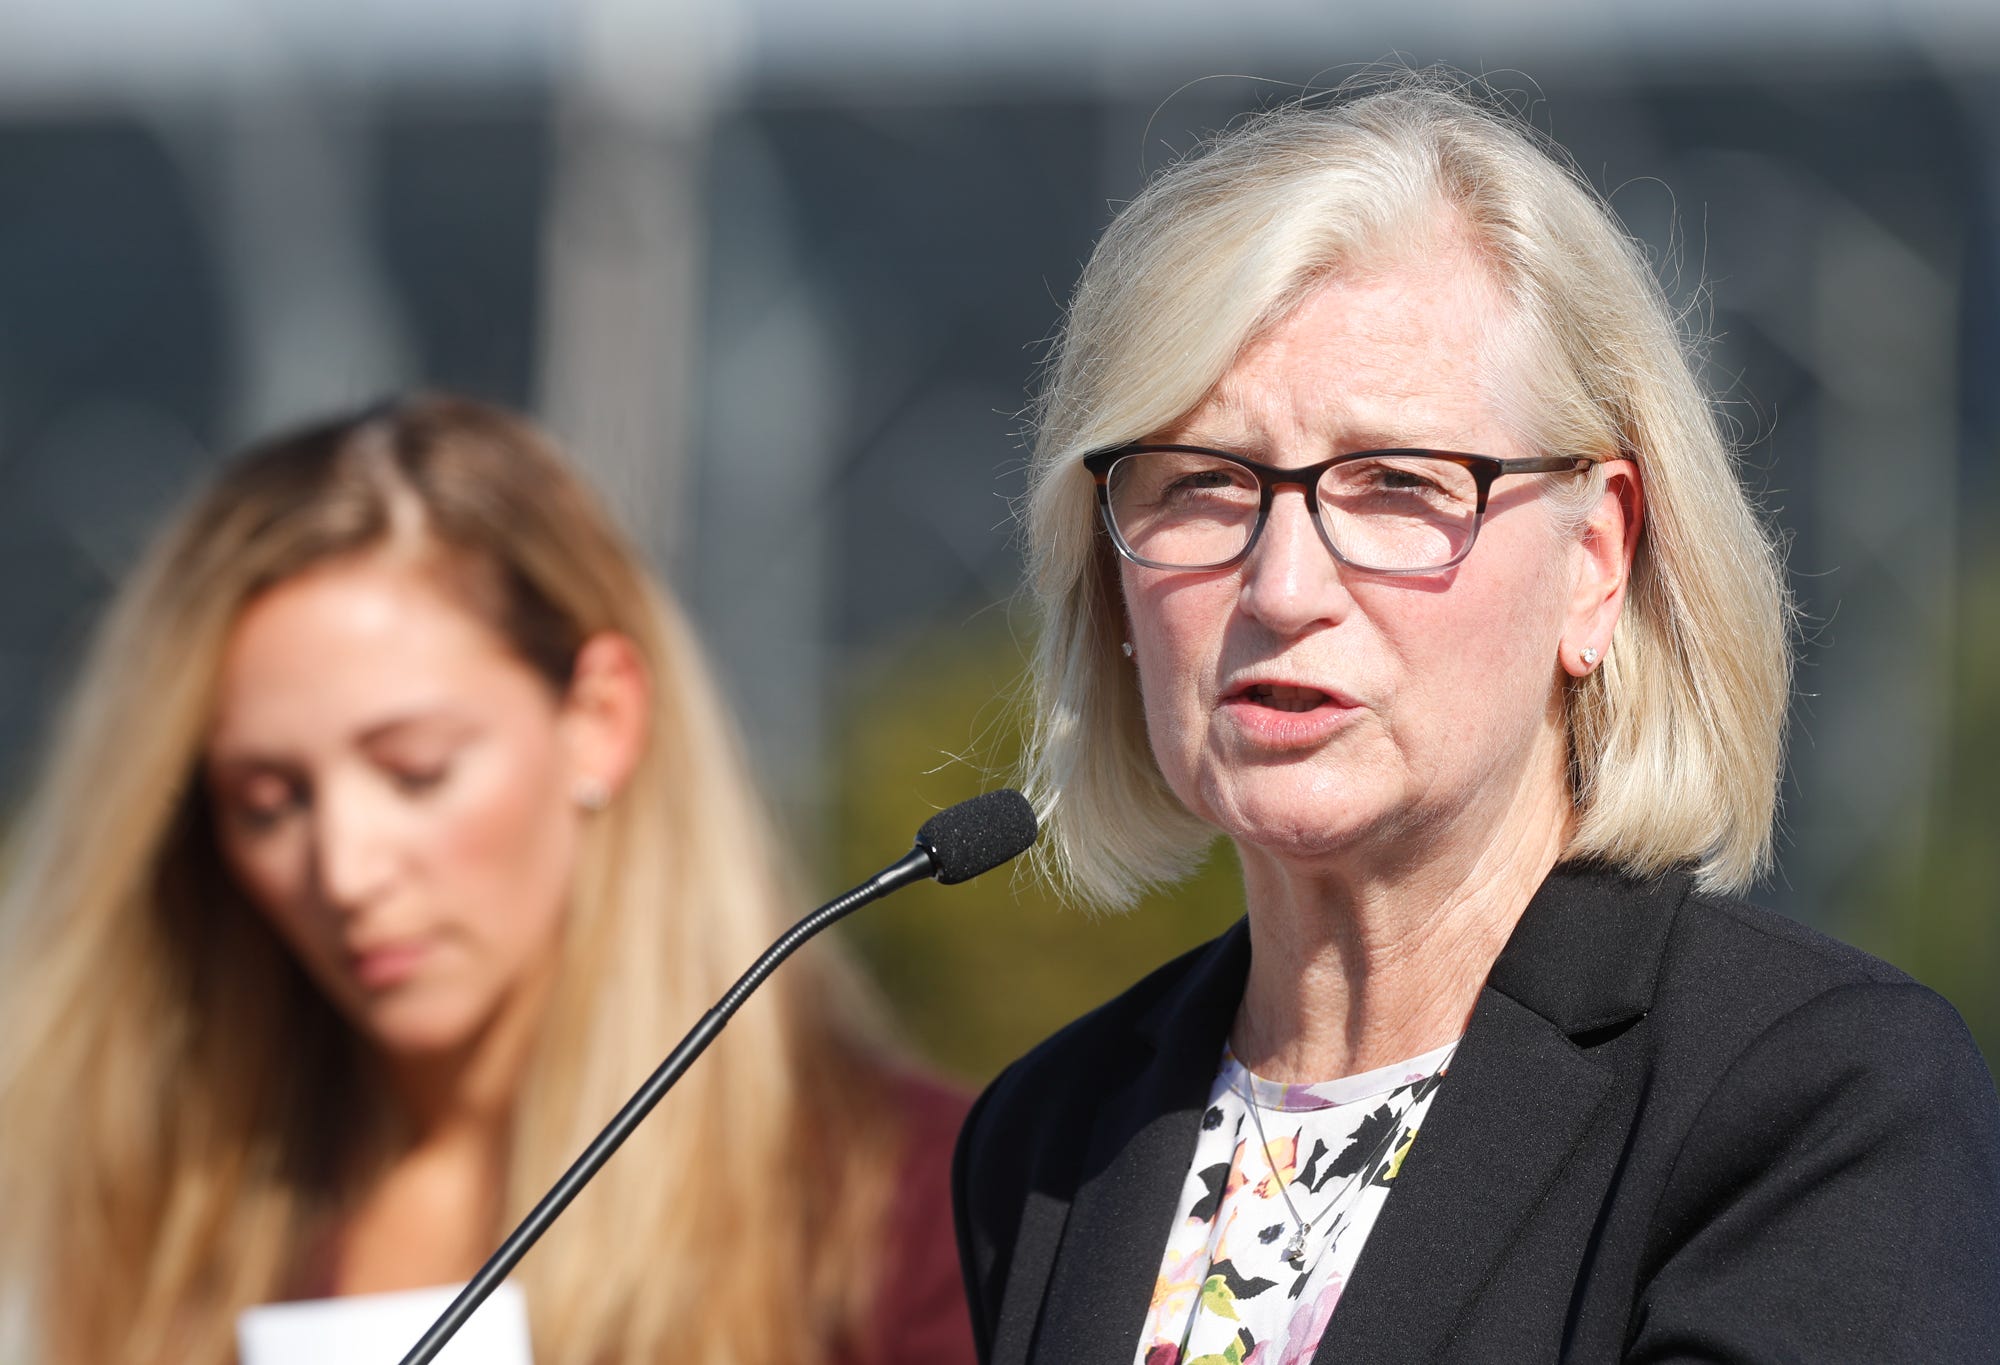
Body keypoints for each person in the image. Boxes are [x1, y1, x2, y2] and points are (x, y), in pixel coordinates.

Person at [954, 74, 2000, 1365]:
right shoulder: (1047, 1134)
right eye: (1201, 484)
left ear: (1595, 561)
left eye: (1395, 483)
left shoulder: (1812, 1096)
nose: (1281, 587)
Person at [0, 393, 976, 1365]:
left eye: (416, 771)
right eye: (266, 802)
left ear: (599, 719)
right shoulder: (148, 1216)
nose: (345, 870)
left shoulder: (921, 1207)